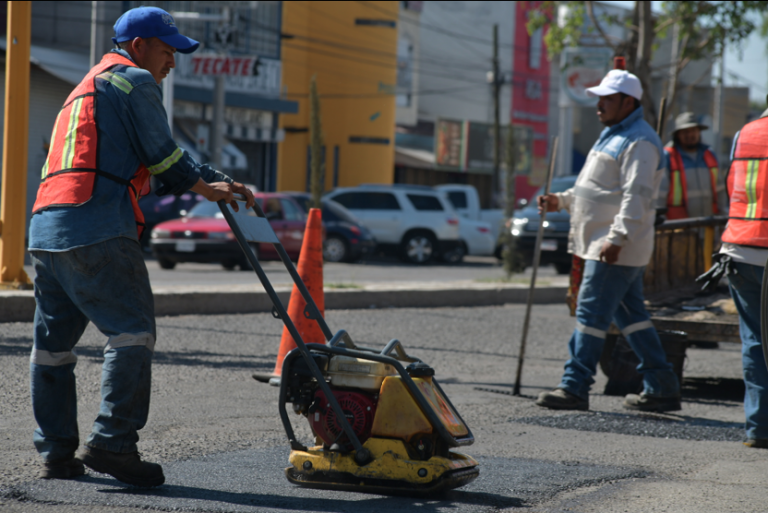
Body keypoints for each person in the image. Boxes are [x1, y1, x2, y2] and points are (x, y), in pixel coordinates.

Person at [28, 7, 255, 487]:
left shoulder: (85, 88)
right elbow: (164, 154)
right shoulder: (134, 81)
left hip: (47, 227)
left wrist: (218, 179)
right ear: (138, 46)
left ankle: (56, 452)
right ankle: (113, 443)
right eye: (167, 50)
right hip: (97, 222)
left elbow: (151, 164)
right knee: (132, 331)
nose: (172, 61)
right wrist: (207, 189)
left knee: (52, 348)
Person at [535, 69, 681, 412]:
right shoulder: (612, 135)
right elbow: (596, 189)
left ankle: (574, 385)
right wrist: (562, 200)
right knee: (632, 316)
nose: (599, 105)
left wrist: (616, 238)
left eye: (607, 99)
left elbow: (637, 197)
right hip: (607, 245)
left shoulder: (640, 141)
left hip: (613, 247)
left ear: (628, 102)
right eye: (599, 98)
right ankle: (661, 385)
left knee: (590, 313)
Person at [715, 100, 768, 448]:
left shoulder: (744, 133)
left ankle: (759, 427)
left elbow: (731, 184)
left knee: (754, 340)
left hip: (739, 249)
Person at [662, 112, 727, 219]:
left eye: (693, 130)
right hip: (678, 226)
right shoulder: (668, 157)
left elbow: (720, 189)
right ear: (677, 135)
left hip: (708, 225)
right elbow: (660, 194)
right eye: (685, 131)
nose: (690, 135)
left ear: (699, 132)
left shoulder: (709, 155)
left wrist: (723, 216)